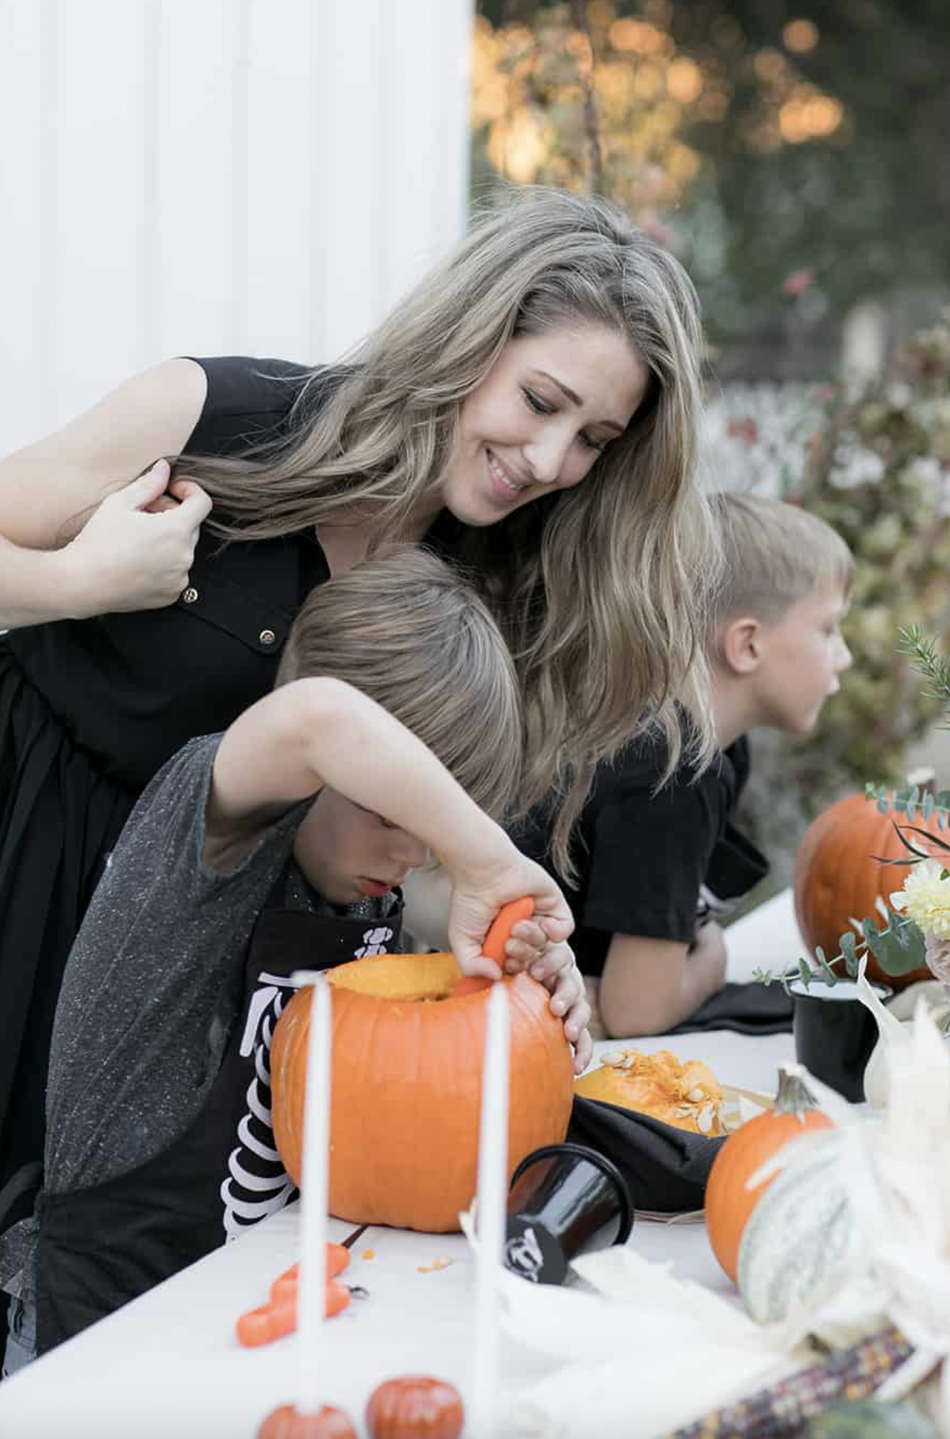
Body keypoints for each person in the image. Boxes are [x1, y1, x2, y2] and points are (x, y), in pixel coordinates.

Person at [0, 185, 719, 1250]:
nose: (551, 460)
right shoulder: (219, 417)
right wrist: (84, 580)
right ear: (470, 339)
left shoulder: (495, 574)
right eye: (539, 400)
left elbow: (422, 839)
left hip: (210, 958)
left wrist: (528, 955)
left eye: (593, 439)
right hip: (29, 847)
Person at [0, 548, 590, 1370]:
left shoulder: (363, 892)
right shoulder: (204, 839)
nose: (420, 847)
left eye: (442, 818)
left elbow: (428, 1081)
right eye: (396, 806)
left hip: (246, 1333)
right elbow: (318, 717)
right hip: (91, 1341)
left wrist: (530, 1000)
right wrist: (480, 855)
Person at [516, 492, 855, 1039]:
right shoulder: (677, 775)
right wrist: (713, 960)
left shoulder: (691, 742)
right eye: (828, 630)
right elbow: (635, 1013)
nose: (844, 656)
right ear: (747, 644)